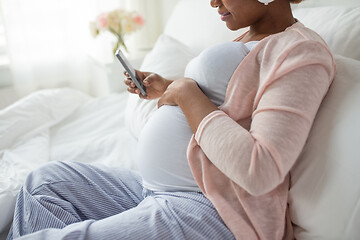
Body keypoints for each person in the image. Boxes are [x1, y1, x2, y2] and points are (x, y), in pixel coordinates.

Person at [7, 0, 335, 239]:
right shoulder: (250, 36)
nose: (213, 2)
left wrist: (186, 94)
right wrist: (169, 87)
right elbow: (232, 104)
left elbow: (261, 169)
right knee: (44, 184)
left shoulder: (301, 51)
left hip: (215, 208)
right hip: (160, 189)